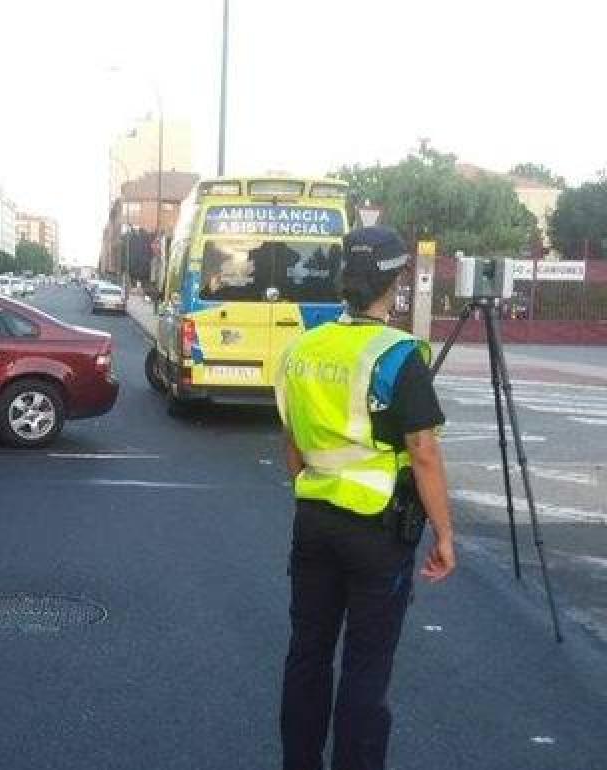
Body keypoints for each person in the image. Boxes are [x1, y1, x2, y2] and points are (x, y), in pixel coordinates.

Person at [275, 226, 456, 770]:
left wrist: (313, 490)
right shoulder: (398, 354)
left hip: (313, 520)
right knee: (366, 669)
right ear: (396, 281)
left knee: (307, 655)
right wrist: (445, 534)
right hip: (377, 531)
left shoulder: (302, 348)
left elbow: (292, 440)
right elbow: (422, 451)